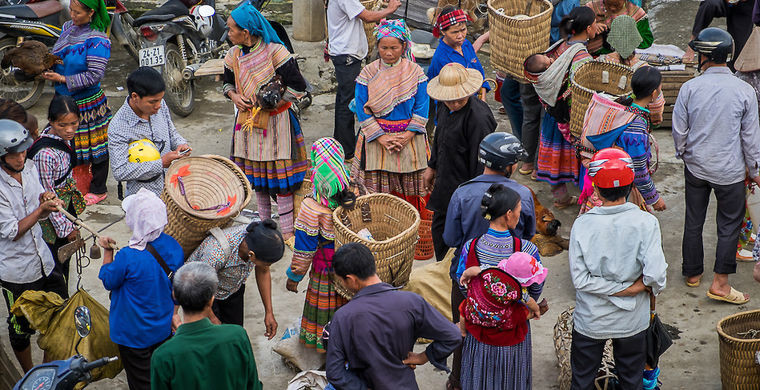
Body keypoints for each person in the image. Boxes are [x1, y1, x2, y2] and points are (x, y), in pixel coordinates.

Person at [673, 27, 760, 304]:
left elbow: (679, 130)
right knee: (728, 225)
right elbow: (750, 138)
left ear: (705, 57)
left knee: (694, 220)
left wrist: (684, 154)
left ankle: (692, 273)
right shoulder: (744, 91)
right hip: (730, 171)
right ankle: (720, 283)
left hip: (696, 167)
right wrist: (755, 171)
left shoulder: (689, 88)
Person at [442, 132, 535, 390]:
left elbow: (451, 237)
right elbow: (527, 237)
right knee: (511, 331)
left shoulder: (462, 193)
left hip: (466, 280)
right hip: (512, 284)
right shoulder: (523, 195)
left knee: (465, 331)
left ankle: (459, 380)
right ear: (509, 166)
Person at [568, 148, 667, 389]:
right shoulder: (647, 222)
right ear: (631, 183)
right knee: (631, 381)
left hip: (591, 320)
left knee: (581, 381)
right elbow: (656, 276)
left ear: (595, 187)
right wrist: (630, 290)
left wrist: (614, 290)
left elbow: (580, 281)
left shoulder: (582, 224)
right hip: (632, 321)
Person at [223, 3, 308, 242]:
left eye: (231, 30)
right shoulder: (233, 56)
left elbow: (299, 88)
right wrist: (234, 96)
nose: (228, 34)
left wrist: (273, 102)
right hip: (248, 125)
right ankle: (264, 229)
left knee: (282, 183)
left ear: (246, 32)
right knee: (258, 182)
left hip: (277, 124)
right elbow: (226, 84)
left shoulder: (275, 52)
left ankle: (288, 232)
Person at [325, 243, 461, 389]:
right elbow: (453, 335)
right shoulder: (411, 302)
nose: (343, 286)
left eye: (341, 281)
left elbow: (335, 373)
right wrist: (422, 357)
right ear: (373, 266)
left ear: (351, 280)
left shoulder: (343, 317)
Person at [452, 184, 545, 390]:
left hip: (479, 332)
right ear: (508, 214)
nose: (521, 215)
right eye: (519, 210)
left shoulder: (471, 246)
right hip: (513, 333)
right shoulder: (527, 249)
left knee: (479, 380)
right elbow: (536, 289)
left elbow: (463, 283)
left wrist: (485, 304)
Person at [97, 188, 183, 390]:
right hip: (162, 328)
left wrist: (108, 252)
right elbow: (177, 288)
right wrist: (174, 313)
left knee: (141, 382)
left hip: (133, 334)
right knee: (162, 377)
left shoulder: (128, 256)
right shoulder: (174, 246)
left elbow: (108, 281)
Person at [0, 119, 68, 372]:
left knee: (59, 314)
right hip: (17, 271)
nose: (21, 158)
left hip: (44, 260)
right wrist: (40, 209)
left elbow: (39, 200)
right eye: (14, 154)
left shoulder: (29, 168)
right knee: (21, 328)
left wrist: (45, 198)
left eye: (24, 151)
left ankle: (46, 371)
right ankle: (29, 375)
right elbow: (12, 231)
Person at [351, 19, 430, 214]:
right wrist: (382, 138)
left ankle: (412, 227)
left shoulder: (415, 72)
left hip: (410, 139)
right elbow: (362, 108)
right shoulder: (368, 73)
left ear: (404, 46)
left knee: (414, 190)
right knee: (376, 192)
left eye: (394, 47)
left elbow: (422, 107)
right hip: (376, 139)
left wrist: (407, 136)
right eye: (384, 47)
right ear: (377, 46)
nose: (388, 52)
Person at [286, 137, 356, 352]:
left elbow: (304, 251)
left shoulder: (311, 207)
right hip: (352, 271)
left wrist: (294, 277)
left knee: (328, 310)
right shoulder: (354, 197)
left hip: (325, 271)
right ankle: (351, 345)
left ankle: (328, 349)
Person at [150, 262, 263, 390]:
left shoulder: (163, 356)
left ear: (175, 296)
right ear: (211, 300)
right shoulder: (237, 336)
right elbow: (253, 385)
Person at [424, 62, 496, 261]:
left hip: (466, 187)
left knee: (462, 242)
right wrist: (432, 166)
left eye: (458, 99)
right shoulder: (444, 106)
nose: (454, 104)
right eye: (450, 100)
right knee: (440, 234)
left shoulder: (478, 118)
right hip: (446, 182)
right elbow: (440, 137)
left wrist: (474, 200)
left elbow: (482, 163)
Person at [41, 0, 112, 205]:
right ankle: (68, 182)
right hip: (63, 99)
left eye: (77, 12)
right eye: (71, 10)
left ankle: (98, 189)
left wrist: (63, 79)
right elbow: (59, 55)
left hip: (88, 103)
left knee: (96, 146)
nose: (72, 15)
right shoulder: (67, 28)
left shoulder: (98, 39)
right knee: (62, 140)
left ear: (91, 12)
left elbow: (94, 76)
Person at [527, 7, 597, 209]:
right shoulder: (580, 56)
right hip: (569, 117)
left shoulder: (560, 46)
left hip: (552, 112)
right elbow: (580, 90)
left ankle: (560, 197)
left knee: (553, 157)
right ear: (590, 28)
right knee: (574, 156)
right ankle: (584, 198)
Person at [578, 66, 667, 214]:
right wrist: (654, 198)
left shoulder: (623, 110)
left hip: (605, 183)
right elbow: (638, 170)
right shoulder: (636, 128)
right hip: (619, 190)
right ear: (653, 93)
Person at [457, 253, 546, 390]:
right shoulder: (519, 290)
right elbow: (531, 301)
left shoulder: (490, 271)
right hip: (504, 335)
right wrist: (537, 311)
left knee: (463, 308)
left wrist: (465, 275)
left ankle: (462, 332)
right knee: (518, 314)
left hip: (476, 315)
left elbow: (472, 271)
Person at [327, 0, 401, 158]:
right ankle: (347, 150)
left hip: (346, 52)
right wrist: (390, 9)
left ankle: (342, 144)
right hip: (346, 53)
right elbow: (367, 16)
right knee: (348, 101)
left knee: (344, 99)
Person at [186, 218, 284, 335]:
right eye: (267, 263)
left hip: (232, 288)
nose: (267, 267)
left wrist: (269, 312)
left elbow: (263, 272)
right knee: (213, 337)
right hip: (205, 293)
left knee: (235, 332)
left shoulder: (257, 235)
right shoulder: (216, 254)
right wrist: (212, 318)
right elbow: (201, 290)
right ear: (251, 255)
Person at [109, 67, 191, 198]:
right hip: (144, 197)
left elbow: (171, 131)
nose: (158, 105)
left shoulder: (160, 105)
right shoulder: (118, 127)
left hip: (171, 188)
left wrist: (180, 144)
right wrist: (160, 163)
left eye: (160, 99)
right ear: (135, 97)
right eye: (153, 101)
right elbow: (120, 170)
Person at [27, 95, 84, 282]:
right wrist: (67, 229)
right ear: (51, 121)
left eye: (74, 123)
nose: (69, 130)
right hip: (53, 219)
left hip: (65, 210)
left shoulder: (62, 140)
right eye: (62, 125)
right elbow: (48, 198)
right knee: (55, 270)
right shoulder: (45, 155)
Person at [597, 15, 665, 125]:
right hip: (633, 124)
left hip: (603, 123)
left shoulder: (599, 62)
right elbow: (656, 108)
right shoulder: (644, 69)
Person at [428, 7, 490, 107]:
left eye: (463, 30)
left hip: (474, 103)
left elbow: (479, 73)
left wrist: (482, 99)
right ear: (443, 32)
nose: (460, 35)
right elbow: (443, 97)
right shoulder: (441, 58)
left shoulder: (466, 44)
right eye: (455, 32)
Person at [686, 0, 753, 69]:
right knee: (708, 5)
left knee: (739, 48)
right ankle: (692, 45)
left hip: (745, 5)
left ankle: (730, 73)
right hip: (724, 2)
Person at [585, 0, 654, 56]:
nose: (612, 8)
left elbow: (647, 40)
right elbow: (577, 34)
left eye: (616, 5)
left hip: (622, 59)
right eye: (608, 4)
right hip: (592, 57)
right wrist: (592, 27)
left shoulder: (636, 13)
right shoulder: (591, 8)